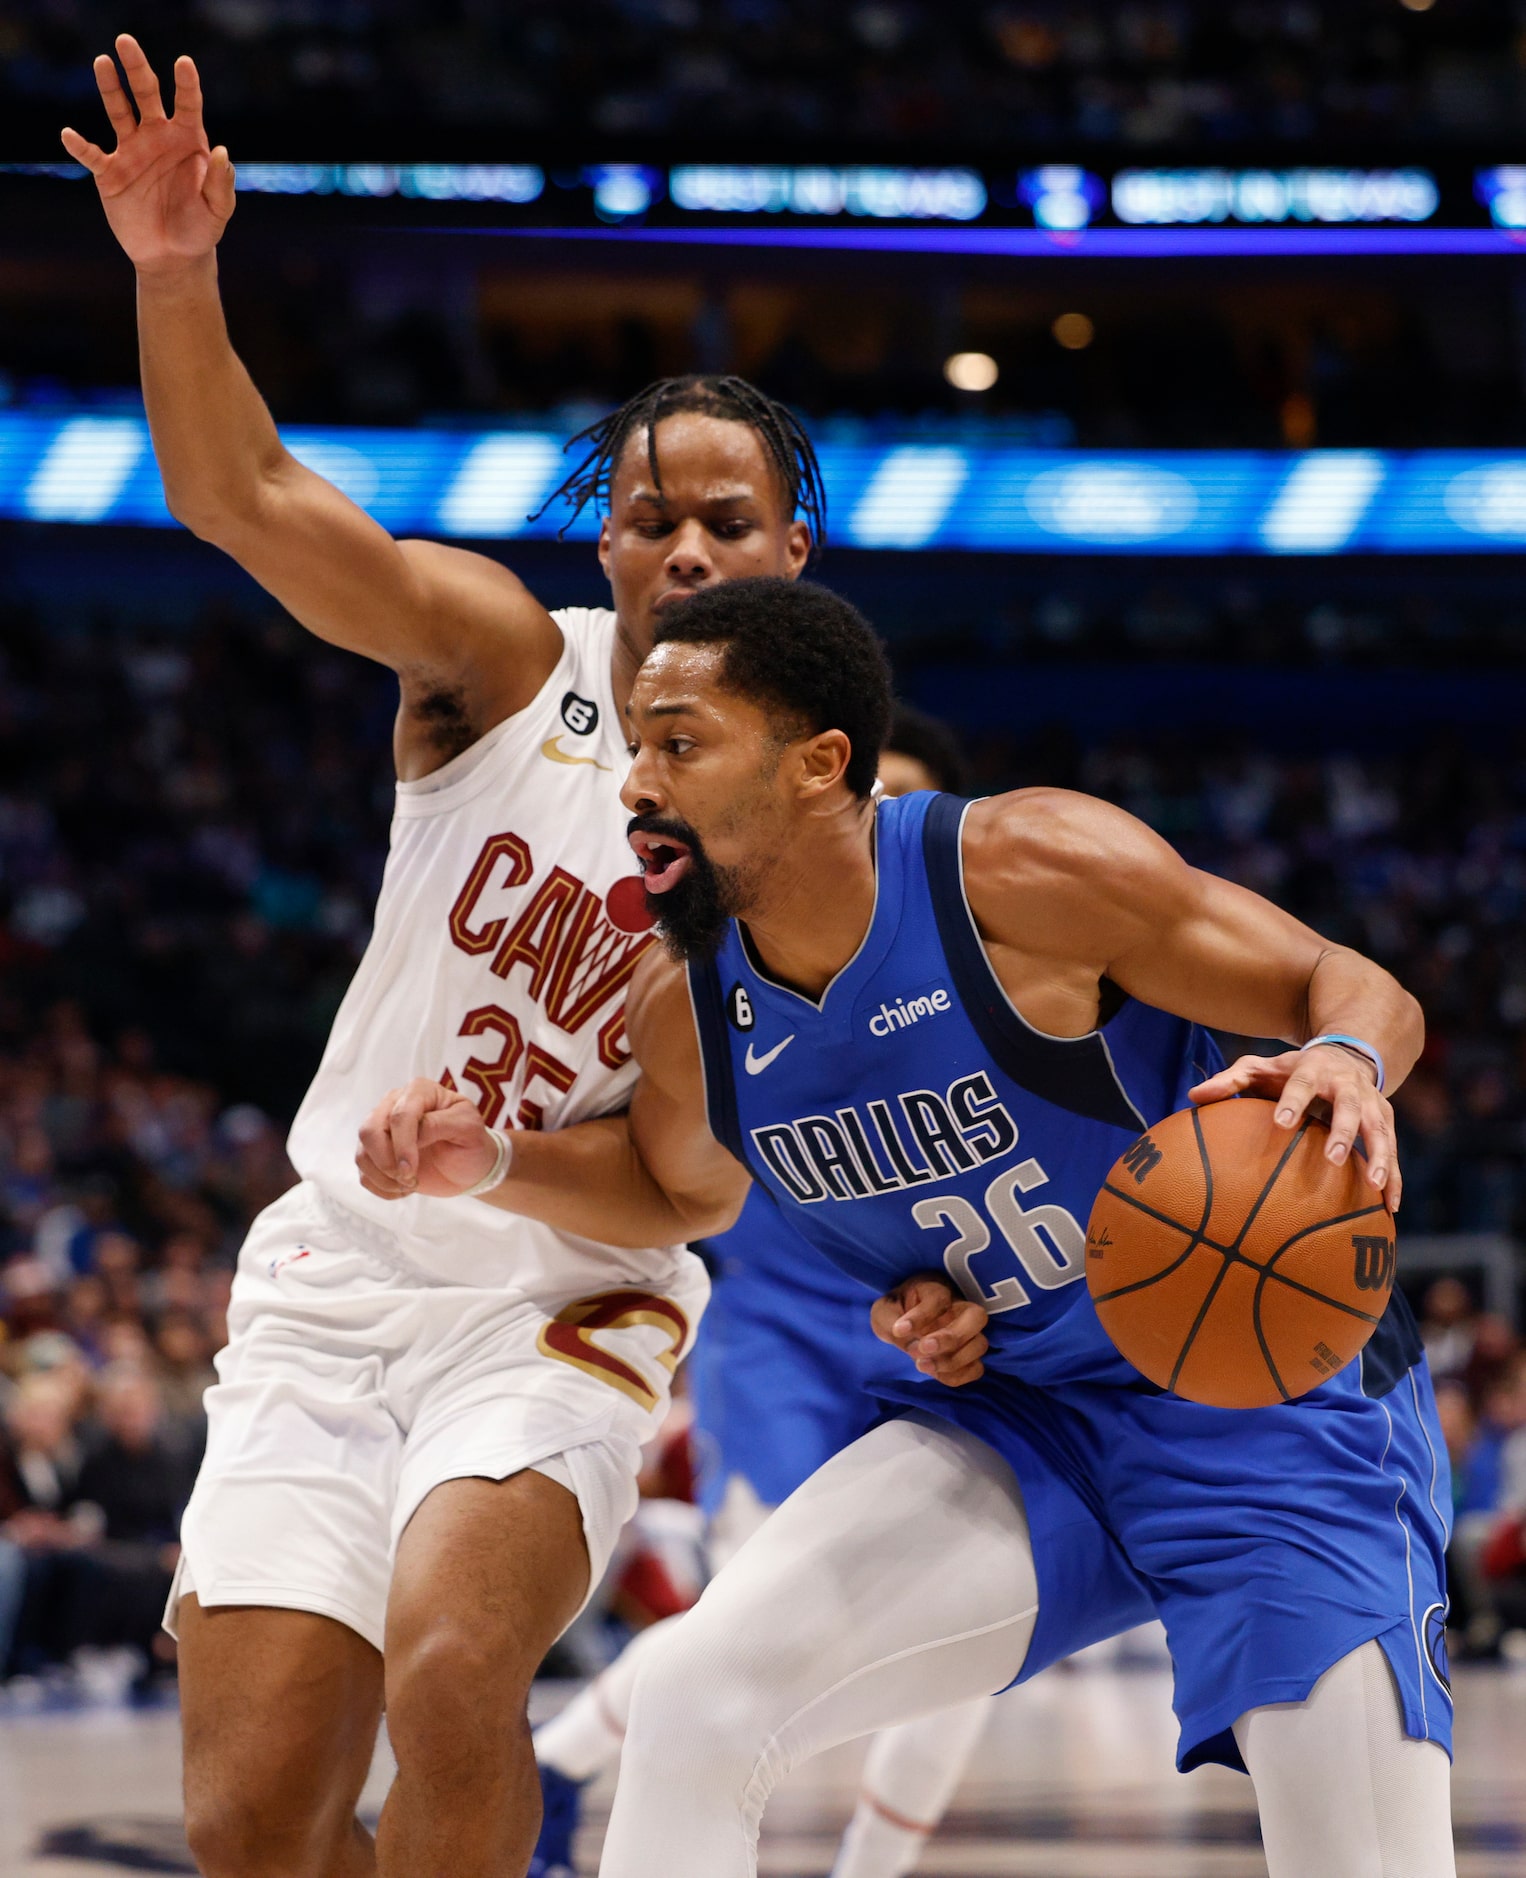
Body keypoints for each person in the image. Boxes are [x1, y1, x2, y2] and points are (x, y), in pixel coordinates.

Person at [359, 578, 1453, 1878]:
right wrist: (488, 1157)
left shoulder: (1020, 873)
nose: (636, 783)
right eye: (634, 745)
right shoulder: (688, 1006)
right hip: (1031, 1409)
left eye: (680, 743)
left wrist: (1337, 1057)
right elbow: (674, 1191)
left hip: (1270, 1404)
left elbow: (1347, 982)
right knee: (696, 1694)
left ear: (820, 764)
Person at [63, 36, 832, 1877]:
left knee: (451, 1661)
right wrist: (176, 271)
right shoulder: (501, 656)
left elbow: (686, 1189)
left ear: (793, 550)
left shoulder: (806, 842)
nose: (690, 547)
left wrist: (497, 1158)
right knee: (253, 1824)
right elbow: (246, 497)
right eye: (654, 516)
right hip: (337, 1275)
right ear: (611, 547)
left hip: (561, 1296)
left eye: (731, 519)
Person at [528, 707, 983, 1878]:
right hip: (777, 1330)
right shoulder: (719, 966)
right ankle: (563, 1761)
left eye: (908, 814)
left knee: (964, 1630)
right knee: (760, 1621)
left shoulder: (978, 963)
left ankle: (574, 1758)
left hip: (951, 1321)